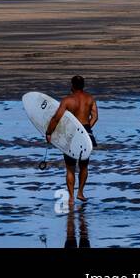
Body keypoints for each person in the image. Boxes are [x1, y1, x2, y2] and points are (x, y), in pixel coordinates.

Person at [45, 75, 98, 206]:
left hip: (71, 133)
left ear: (72, 85)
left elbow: (56, 118)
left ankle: (71, 198)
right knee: (84, 166)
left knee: (70, 168)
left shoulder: (68, 100)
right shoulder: (90, 98)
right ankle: (80, 192)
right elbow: (95, 116)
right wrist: (86, 130)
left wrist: (48, 132)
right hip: (86, 131)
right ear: (83, 85)